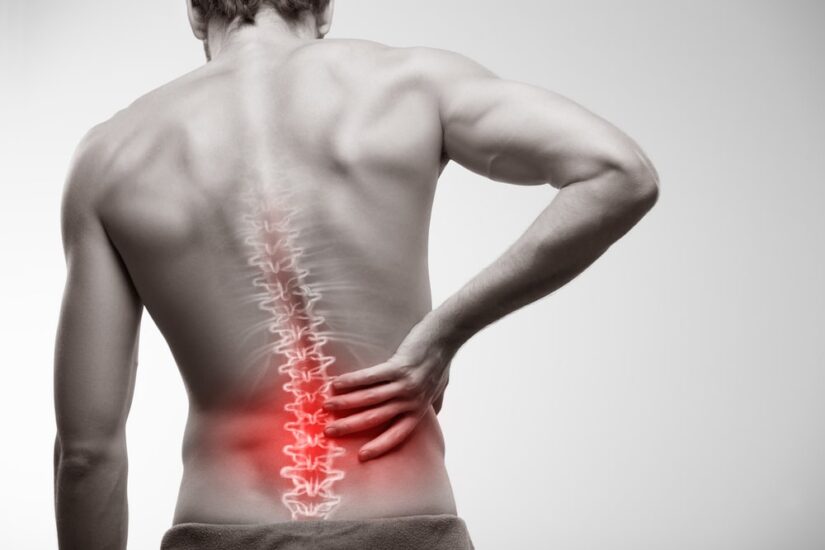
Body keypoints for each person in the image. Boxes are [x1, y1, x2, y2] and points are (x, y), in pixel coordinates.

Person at [53, 0, 660, 548]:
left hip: (222, 527)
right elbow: (619, 174)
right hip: (406, 524)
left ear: (193, 13)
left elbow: (86, 454)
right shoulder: (412, 86)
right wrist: (444, 332)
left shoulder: (110, 155)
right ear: (325, 9)